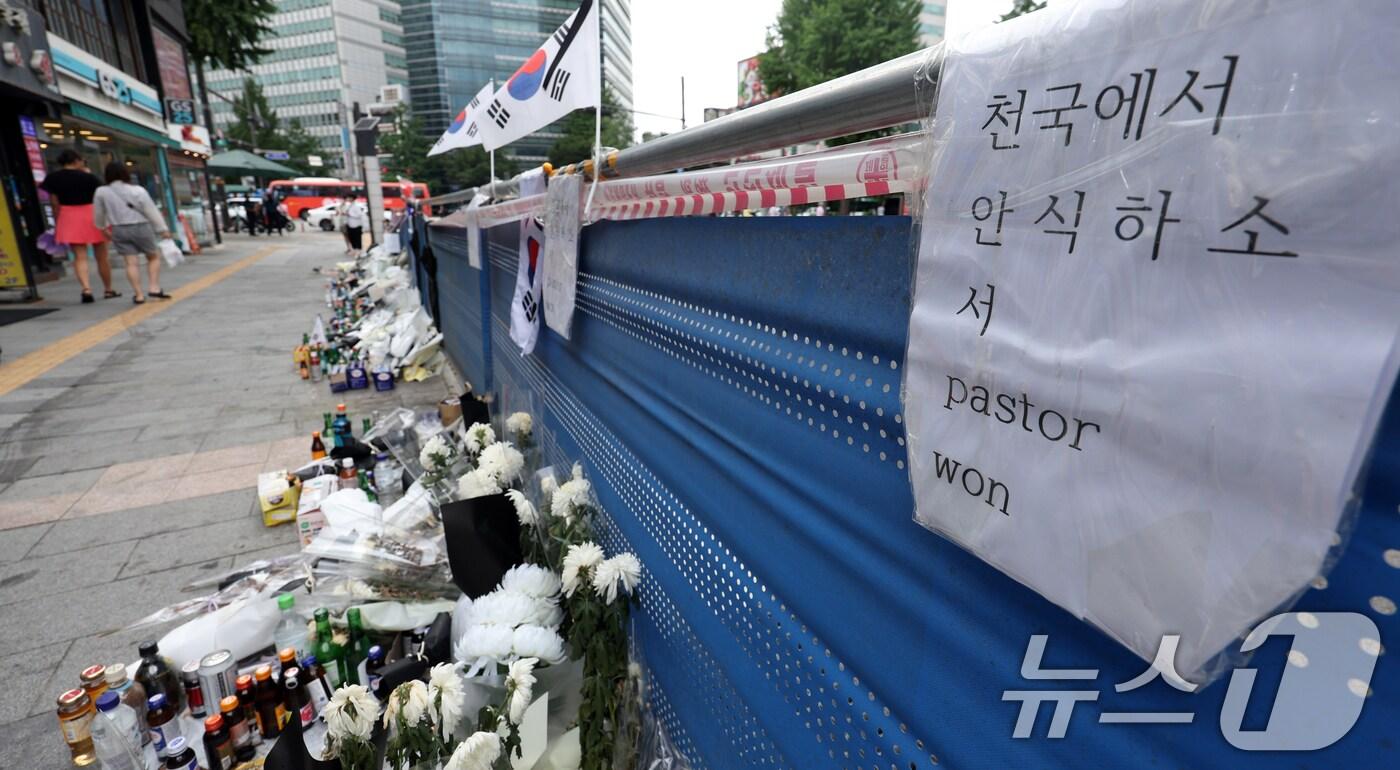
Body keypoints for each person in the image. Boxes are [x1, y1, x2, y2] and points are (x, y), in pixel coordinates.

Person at [40, 150, 118, 302]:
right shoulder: (89, 178)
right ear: (76, 161)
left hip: (69, 215)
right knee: (102, 257)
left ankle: (86, 289)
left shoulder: (53, 178)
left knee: (79, 257)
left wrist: (58, 221)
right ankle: (108, 289)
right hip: (92, 214)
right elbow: (100, 199)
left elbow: (54, 203)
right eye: (82, 160)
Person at [92, 162, 172, 304]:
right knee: (153, 257)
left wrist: (102, 227)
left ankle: (139, 294)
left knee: (130, 263)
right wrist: (163, 229)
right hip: (141, 226)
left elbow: (99, 213)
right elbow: (150, 210)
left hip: (118, 229)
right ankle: (154, 287)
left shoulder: (101, 191)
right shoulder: (138, 190)